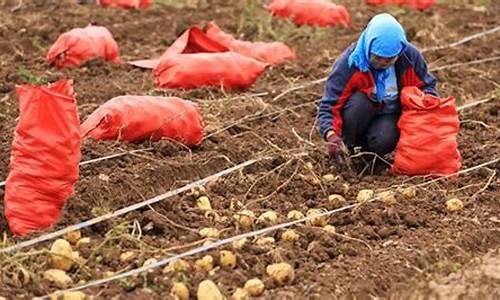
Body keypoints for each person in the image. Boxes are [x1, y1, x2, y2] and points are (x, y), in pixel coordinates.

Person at [317, 13, 439, 169]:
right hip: (357, 116)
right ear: (368, 47)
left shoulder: (409, 56)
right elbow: (328, 106)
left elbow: (427, 86)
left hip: (390, 114)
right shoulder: (349, 63)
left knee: (385, 138)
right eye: (377, 57)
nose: (383, 63)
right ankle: (347, 150)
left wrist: (426, 101)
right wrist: (332, 136)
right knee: (360, 103)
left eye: (390, 59)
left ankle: (369, 157)